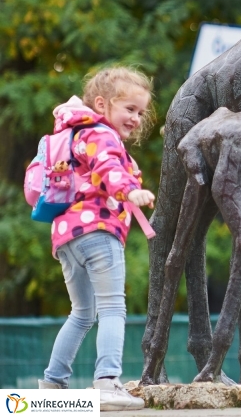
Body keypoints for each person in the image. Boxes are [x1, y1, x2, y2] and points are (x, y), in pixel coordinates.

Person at [38, 66, 156, 412]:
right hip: (98, 232)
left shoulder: (75, 133)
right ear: (102, 104)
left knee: (82, 313)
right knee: (112, 308)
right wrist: (130, 191)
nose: (136, 118)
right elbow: (108, 167)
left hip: (67, 238)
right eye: (129, 109)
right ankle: (107, 382)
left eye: (140, 112)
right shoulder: (101, 134)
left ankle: (52, 386)